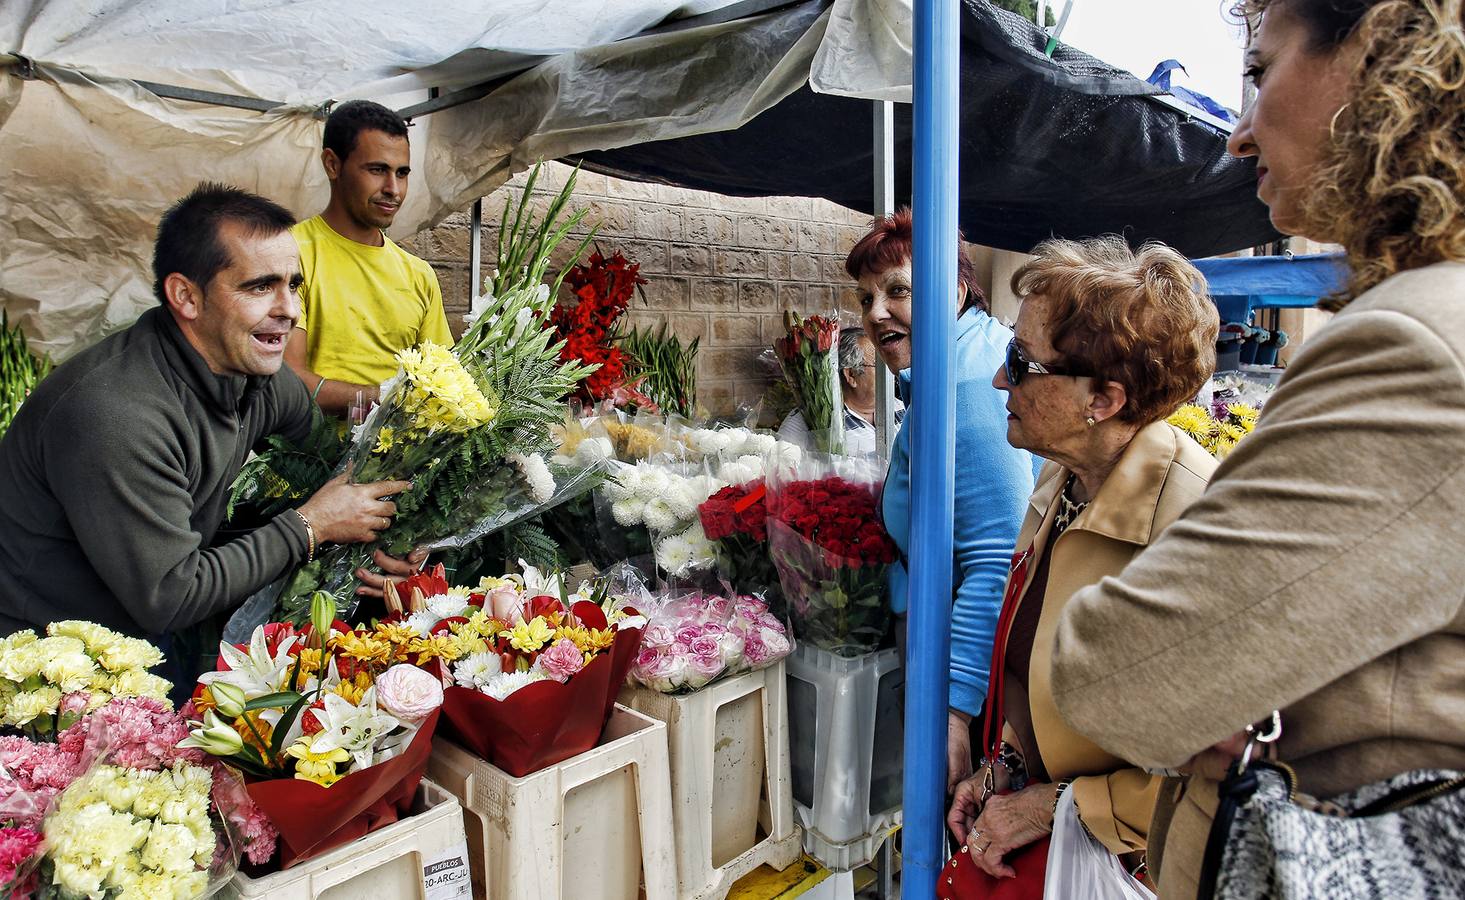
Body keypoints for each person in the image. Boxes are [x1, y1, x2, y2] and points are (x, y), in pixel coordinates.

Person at [1048, 3, 1465, 898]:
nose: (1238, 137)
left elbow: (1115, 676)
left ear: (1375, 57)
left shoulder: (1418, 342)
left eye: (1257, 72)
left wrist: (1229, 694)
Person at [0, 183, 420, 639]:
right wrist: (312, 526)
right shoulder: (115, 414)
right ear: (186, 296)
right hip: (51, 660)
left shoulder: (262, 379)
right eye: (261, 286)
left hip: (157, 624)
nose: (291, 311)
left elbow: (333, 474)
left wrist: (388, 547)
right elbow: (171, 594)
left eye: (292, 285)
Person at [945, 237, 1219, 883]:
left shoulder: (1197, 529)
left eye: (1021, 361)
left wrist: (1057, 808)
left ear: (1104, 400)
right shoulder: (1064, 477)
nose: (997, 378)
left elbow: (1224, 762)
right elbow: (1032, 666)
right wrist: (1006, 767)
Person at [849, 208, 1037, 793]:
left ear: (955, 290)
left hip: (959, 655)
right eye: (866, 298)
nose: (876, 313)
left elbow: (993, 561)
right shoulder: (962, 361)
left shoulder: (966, 386)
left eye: (898, 290)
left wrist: (954, 716)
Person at [285, 100, 453, 418]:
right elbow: (287, 382)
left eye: (401, 174)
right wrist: (388, 398)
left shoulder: (419, 275)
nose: (393, 189)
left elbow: (442, 385)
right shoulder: (289, 253)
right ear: (332, 164)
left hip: (402, 464)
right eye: (377, 170)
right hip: (306, 462)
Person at [777, 327, 904, 457]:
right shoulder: (808, 420)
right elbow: (780, 469)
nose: (891, 372)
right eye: (880, 366)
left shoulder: (904, 408)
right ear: (851, 375)